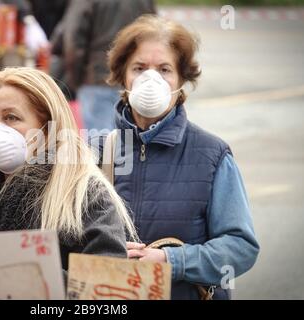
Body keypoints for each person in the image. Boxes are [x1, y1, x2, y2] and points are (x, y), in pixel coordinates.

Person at [95, 15, 260, 299]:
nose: (151, 79)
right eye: (139, 68)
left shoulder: (212, 155)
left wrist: (174, 262)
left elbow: (240, 247)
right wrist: (106, 253)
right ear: (122, 75)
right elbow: (67, 239)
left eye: (164, 69)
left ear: (181, 79)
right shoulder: (95, 153)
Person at [0, 67, 138, 274]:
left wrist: (30, 278)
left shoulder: (84, 195)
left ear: (47, 129)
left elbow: (107, 287)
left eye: (11, 117)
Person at [61, 0, 157, 132]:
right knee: (130, 142)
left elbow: (73, 40)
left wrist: (76, 80)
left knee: (100, 144)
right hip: (135, 79)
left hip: (96, 79)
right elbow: (154, 32)